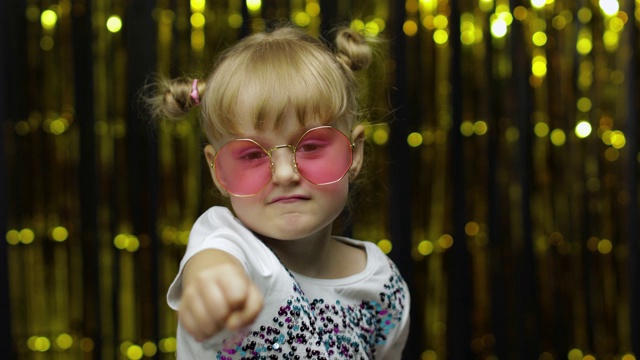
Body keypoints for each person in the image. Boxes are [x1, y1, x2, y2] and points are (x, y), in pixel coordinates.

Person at [146, 21, 410, 359]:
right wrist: (211, 286)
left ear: (354, 152)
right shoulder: (226, 241)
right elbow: (213, 262)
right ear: (218, 170)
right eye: (253, 154)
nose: (285, 173)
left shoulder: (383, 287)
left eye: (311, 146)